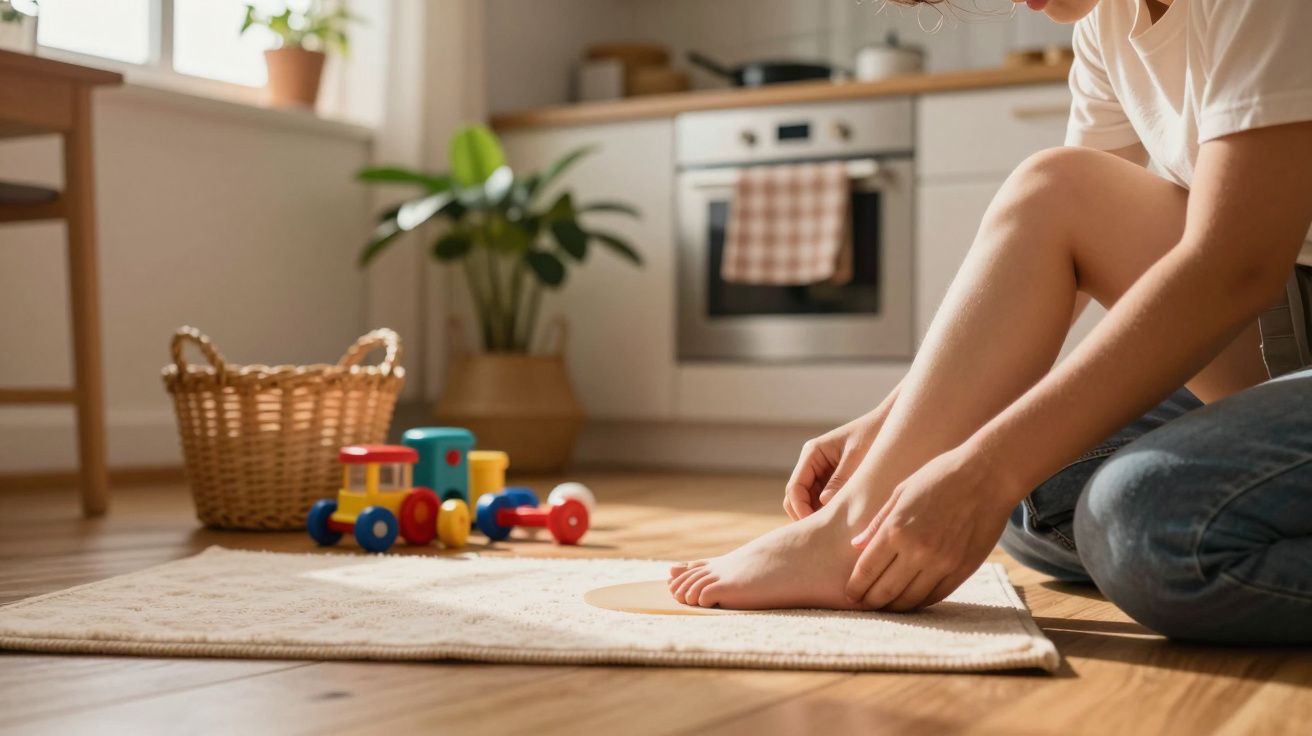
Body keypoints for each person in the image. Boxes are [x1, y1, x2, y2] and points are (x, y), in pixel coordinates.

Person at [667, 0, 1312, 643]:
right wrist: (895, 424)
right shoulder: (1107, 19)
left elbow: (1237, 264)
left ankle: (847, 535)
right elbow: (1056, 244)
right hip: (1280, 336)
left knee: (1141, 524)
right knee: (1036, 499)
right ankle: (861, 522)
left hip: (1275, 316)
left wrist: (985, 470)